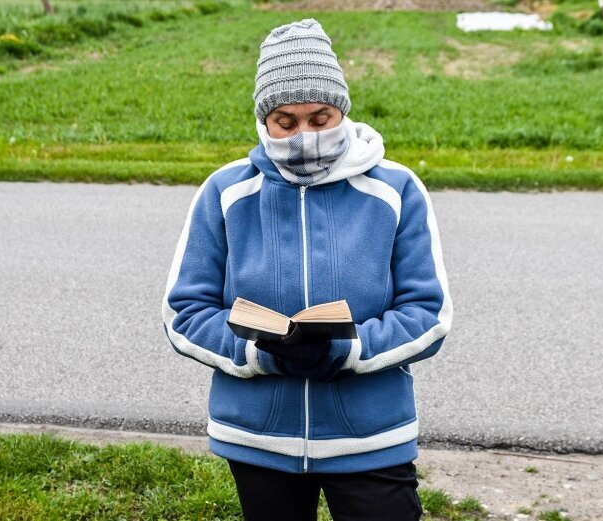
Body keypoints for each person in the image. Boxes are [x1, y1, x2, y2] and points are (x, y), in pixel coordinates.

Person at [162, 18, 452, 521]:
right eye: (286, 121)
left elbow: (429, 314)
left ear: (342, 109)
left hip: (371, 437)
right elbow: (183, 312)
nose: (304, 136)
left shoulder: (396, 191)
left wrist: (347, 350)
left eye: (320, 118)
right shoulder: (225, 193)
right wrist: (262, 353)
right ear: (263, 120)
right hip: (257, 437)